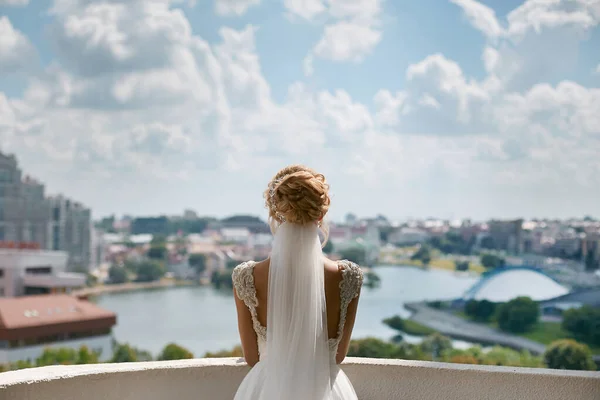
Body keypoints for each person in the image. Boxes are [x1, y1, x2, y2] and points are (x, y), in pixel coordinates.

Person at [231, 165, 364, 400]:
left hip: (265, 389)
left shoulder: (246, 277)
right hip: (326, 389)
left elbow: (252, 358)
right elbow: (338, 356)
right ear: (321, 214)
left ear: (275, 213)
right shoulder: (348, 276)